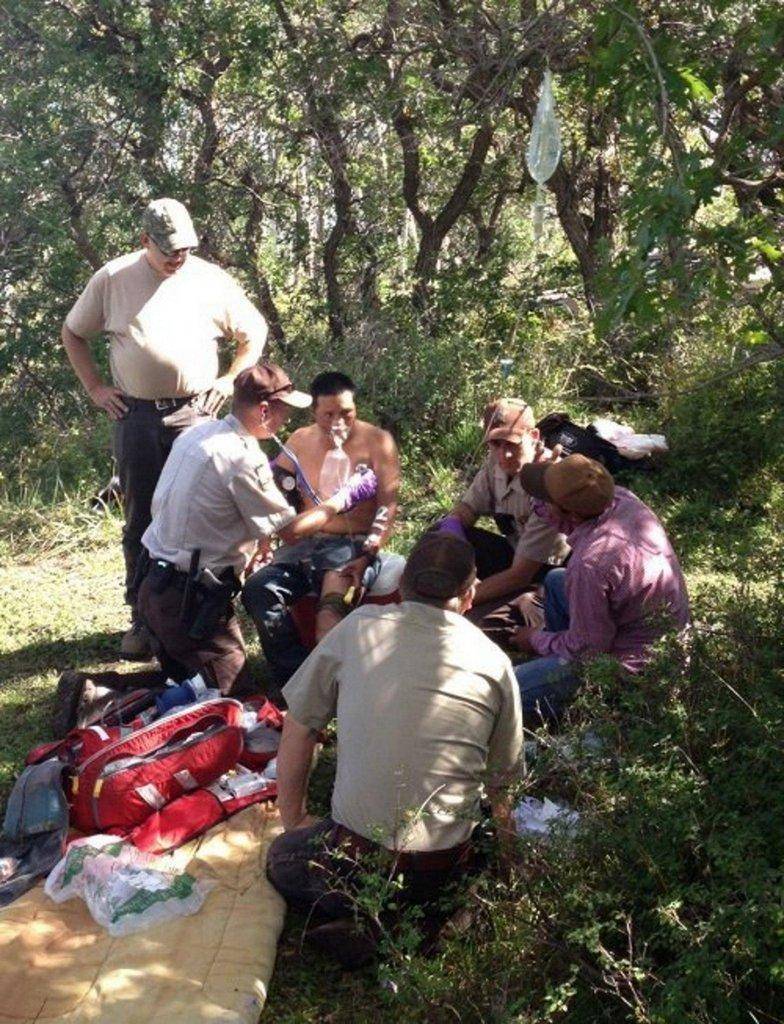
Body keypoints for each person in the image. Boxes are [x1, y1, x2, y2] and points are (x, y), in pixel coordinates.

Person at [265, 532, 523, 967]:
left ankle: (368, 918)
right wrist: (509, 868)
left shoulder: (360, 627)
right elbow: (503, 787)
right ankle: (433, 921)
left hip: (356, 859)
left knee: (282, 859)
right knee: (471, 859)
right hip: (442, 868)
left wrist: (295, 820)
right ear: (470, 594)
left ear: (401, 584)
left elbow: (300, 723)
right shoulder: (495, 660)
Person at [61, 197, 269, 658]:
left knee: (195, 517)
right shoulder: (113, 279)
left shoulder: (210, 279)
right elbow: (73, 333)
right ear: (144, 242)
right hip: (135, 416)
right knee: (142, 517)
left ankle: (197, 614)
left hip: (196, 413)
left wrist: (230, 378)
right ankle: (142, 617)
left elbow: (253, 332)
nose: (178, 258)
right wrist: (96, 387)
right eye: (169, 250)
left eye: (185, 250)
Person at [136, 364, 377, 697]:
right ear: (264, 410)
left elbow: (215, 507)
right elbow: (292, 531)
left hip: (153, 585)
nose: (287, 420)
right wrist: (343, 498)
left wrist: (257, 541)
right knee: (237, 701)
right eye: (283, 411)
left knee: (185, 685)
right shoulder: (242, 457)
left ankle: (138, 691)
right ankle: (94, 693)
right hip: (187, 601)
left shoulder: (197, 433)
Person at [242, 371, 400, 689]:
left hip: (351, 545)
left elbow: (388, 506)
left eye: (346, 413)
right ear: (314, 411)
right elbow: (275, 494)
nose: (338, 421)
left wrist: (369, 553)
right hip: (303, 544)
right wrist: (261, 542)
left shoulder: (377, 441)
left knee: (329, 614)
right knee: (258, 590)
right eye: (328, 414)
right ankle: (296, 680)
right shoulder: (300, 439)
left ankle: (338, 692)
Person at [511, 453, 690, 722]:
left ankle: (589, 704)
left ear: (568, 513)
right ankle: (558, 671)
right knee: (556, 580)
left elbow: (589, 650)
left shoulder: (591, 564)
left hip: (634, 671)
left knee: (508, 690)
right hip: (656, 634)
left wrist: (535, 639)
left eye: (544, 501)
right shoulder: (621, 499)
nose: (538, 505)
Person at [439, 398, 569, 642]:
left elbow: (521, 574)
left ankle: (538, 623)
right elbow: (467, 508)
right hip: (515, 552)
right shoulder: (495, 461)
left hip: (545, 573)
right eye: (495, 444)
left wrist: (460, 600)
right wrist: (450, 532)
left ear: (534, 435)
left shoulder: (548, 480)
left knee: (471, 625)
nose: (504, 454)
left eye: (511, 444)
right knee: (442, 534)